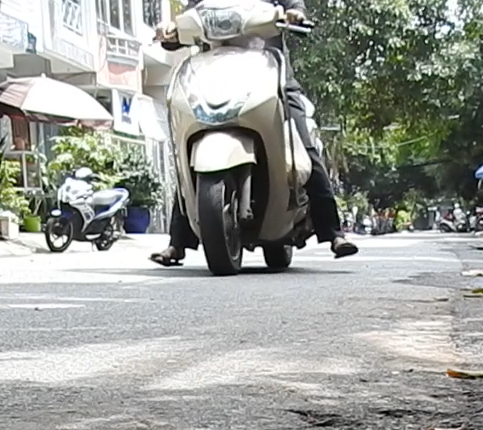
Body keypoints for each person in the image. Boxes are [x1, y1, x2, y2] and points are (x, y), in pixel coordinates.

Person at [150, 0, 357, 266]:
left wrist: (294, 15)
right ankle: (178, 242)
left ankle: (333, 233)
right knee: (184, 156)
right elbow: (186, 23)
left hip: (268, 73)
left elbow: (295, 9)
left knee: (304, 148)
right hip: (213, 74)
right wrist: (170, 30)